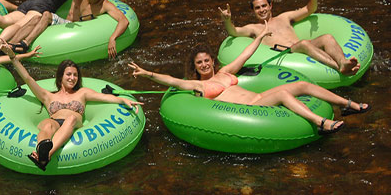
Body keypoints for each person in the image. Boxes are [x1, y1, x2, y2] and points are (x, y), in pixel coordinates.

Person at [128, 22, 370, 135]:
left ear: (212, 60)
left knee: (303, 84)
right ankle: (320, 122)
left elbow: (245, 54)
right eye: (198, 63)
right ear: (195, 67)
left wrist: (261, 35)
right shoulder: (198, 85)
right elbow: (172, 81)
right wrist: (148, 73)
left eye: (206, 60)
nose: (203, 64)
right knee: (285, 93)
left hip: (260, 96)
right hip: (250, 108)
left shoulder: (226, 72)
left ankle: (347, 105)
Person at [0, 40, 142, 171]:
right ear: (61, 76)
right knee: (47, 125)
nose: (72, 78)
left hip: (72, 123)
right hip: (54, 122)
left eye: (75, 75)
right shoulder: (48, 96)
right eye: (68, 74)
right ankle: (41, 151)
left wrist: (123, 100)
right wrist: (13, 57)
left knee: (71, 119)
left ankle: (46, 156)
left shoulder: (82, 93)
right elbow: (28, 78)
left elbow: (104, 97)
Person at [219, 0, 360, 75]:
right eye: (257, 8)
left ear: (270, 5)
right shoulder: (254, 28)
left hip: (302, 47)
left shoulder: (284, 17)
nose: (262, 10)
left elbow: (309, 9)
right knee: (304, 43)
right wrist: (227, 20)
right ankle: (339, 68)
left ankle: (343, 62)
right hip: (287, 54)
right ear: (253, 11)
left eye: (264, 6)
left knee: (327, 37)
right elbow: (234, 32)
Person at [6, 0, 129, 59]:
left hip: (79, 29)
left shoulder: (105, 5)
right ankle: (9, 45)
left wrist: (112, 38)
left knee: (47, 15)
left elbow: (124, 20)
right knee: (38, 17)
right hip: (67, 23)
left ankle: (25, 44)